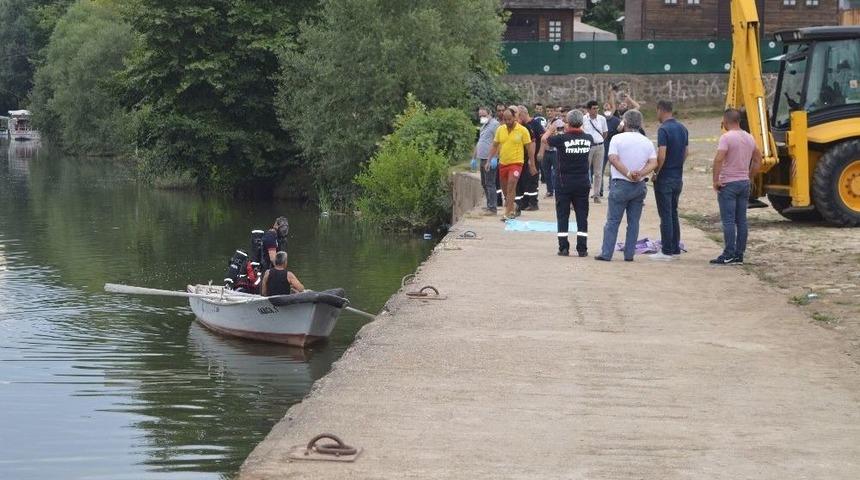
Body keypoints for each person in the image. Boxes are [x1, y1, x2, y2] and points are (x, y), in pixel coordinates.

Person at [595, 110, 658, 262]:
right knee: (634, 222)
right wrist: (640, 174)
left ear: (625, 122)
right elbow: (653, 162)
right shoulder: (646, 141)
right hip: (639, 186)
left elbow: (613, 159)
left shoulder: (617, 139)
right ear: (640, 123)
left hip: (620, 183)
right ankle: (629, 254)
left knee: (612, 221)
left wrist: (628, 173)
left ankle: (607, 253)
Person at [710, 108, 762, 266]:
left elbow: (719, 159)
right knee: (742, 220)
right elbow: (758, 159)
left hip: (729, 183)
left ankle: (728, 253)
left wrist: (715, 180)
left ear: (726, 121)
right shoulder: (749, 137)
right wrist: (750, 175)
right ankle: (739, 253)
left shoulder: (726, 138)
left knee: (728, 221)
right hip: (743, 182)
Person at [540, 109, 592, 257]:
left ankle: (563, 247)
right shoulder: (588, 138)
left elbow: (544, 140)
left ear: (567, 123)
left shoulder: (561, 139)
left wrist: (551, 128)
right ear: (581, 123)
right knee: (582, 215)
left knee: (563, 215)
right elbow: (586, 133)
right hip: (582, 183)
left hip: (564, 183)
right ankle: (582, 248)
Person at [650, 100, 689, 261]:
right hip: (677, 177)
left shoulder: (663, 129)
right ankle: (675, 247)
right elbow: (686, 152)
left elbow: (662, 155)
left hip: (665, 177)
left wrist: (656, 172)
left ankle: (666, 250)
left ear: (660, 110)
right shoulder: (682, 128)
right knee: (673, 212)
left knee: (665, 215)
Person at [486, 107, 535, 221]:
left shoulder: (522, 130)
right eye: (505, 119)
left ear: (514, 118)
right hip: (503, 163)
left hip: (516, 163)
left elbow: (529, 147)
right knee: (505, 191)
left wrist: (532, 164)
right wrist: (489, 160)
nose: (507, 122)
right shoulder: (500, 129)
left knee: (511, 185)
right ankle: (514, 206)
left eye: (509, 119)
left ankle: (507, 213)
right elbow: (494, 145)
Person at [515, 105, 544, 212]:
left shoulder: (535, 124)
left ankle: (533, 203)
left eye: (518, 115)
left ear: (523, 114)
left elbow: (543, 138)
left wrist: (541, 152)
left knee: (532, 179)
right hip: (524, 157)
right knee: (524, 181)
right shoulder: (522, 126)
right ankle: (524, 203)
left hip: (534, 156)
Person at [472, 107, 500, 215]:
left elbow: (498, 142)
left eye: (484, 115)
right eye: (480, 116)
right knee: (484, 183)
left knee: (490, 183)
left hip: (489, 158)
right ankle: (489, 205)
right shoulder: (483, 126)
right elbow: (480, 142)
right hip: (482, 158)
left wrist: (494, 157)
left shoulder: (494, 125)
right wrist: (474, 158)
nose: (482, 118)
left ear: (490, 114)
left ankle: (493, 208)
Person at [583, 100, 608, 203]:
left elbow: (605, 132)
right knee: (585, 170)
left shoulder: (602, 119)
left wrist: (599, 140)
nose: (596, 110)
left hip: (599, 146)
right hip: (588, 146)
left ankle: (597, 194)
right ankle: (584, 193)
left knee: (598, 172)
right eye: (593, 108)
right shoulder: (584, 119)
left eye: (597, 108)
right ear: (588, 110)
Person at [542, 107, 564, 198]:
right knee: (546, 172)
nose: (549, 112)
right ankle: (549, 190)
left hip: (555, 150)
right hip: (547, 150)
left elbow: (559, 135)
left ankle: (558, 189)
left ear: (555, 112)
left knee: (557, 171)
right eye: (547, 111)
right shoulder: (546, 122)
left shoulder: (558, 123)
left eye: (551, 110)